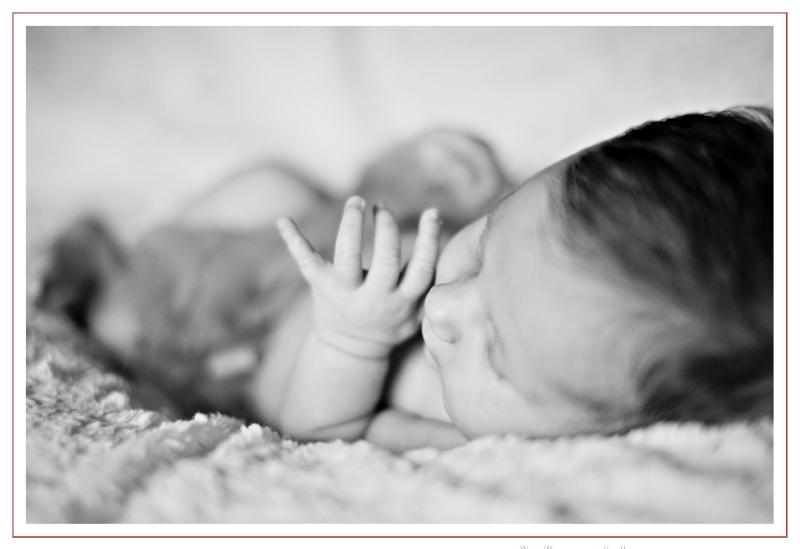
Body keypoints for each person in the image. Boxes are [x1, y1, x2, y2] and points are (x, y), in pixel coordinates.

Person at [38, 108, 773, 452]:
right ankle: (131, 238)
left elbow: (322, 426)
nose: (447, 306)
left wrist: (352, 341)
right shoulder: (556, 275)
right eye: (486, 249)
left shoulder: (453, 427)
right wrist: (447, 184)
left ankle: (92, 270)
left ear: (608, 426)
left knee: (123, 327)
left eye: (499, 353)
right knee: (271, 186)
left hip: (240, 346)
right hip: (299, 246)